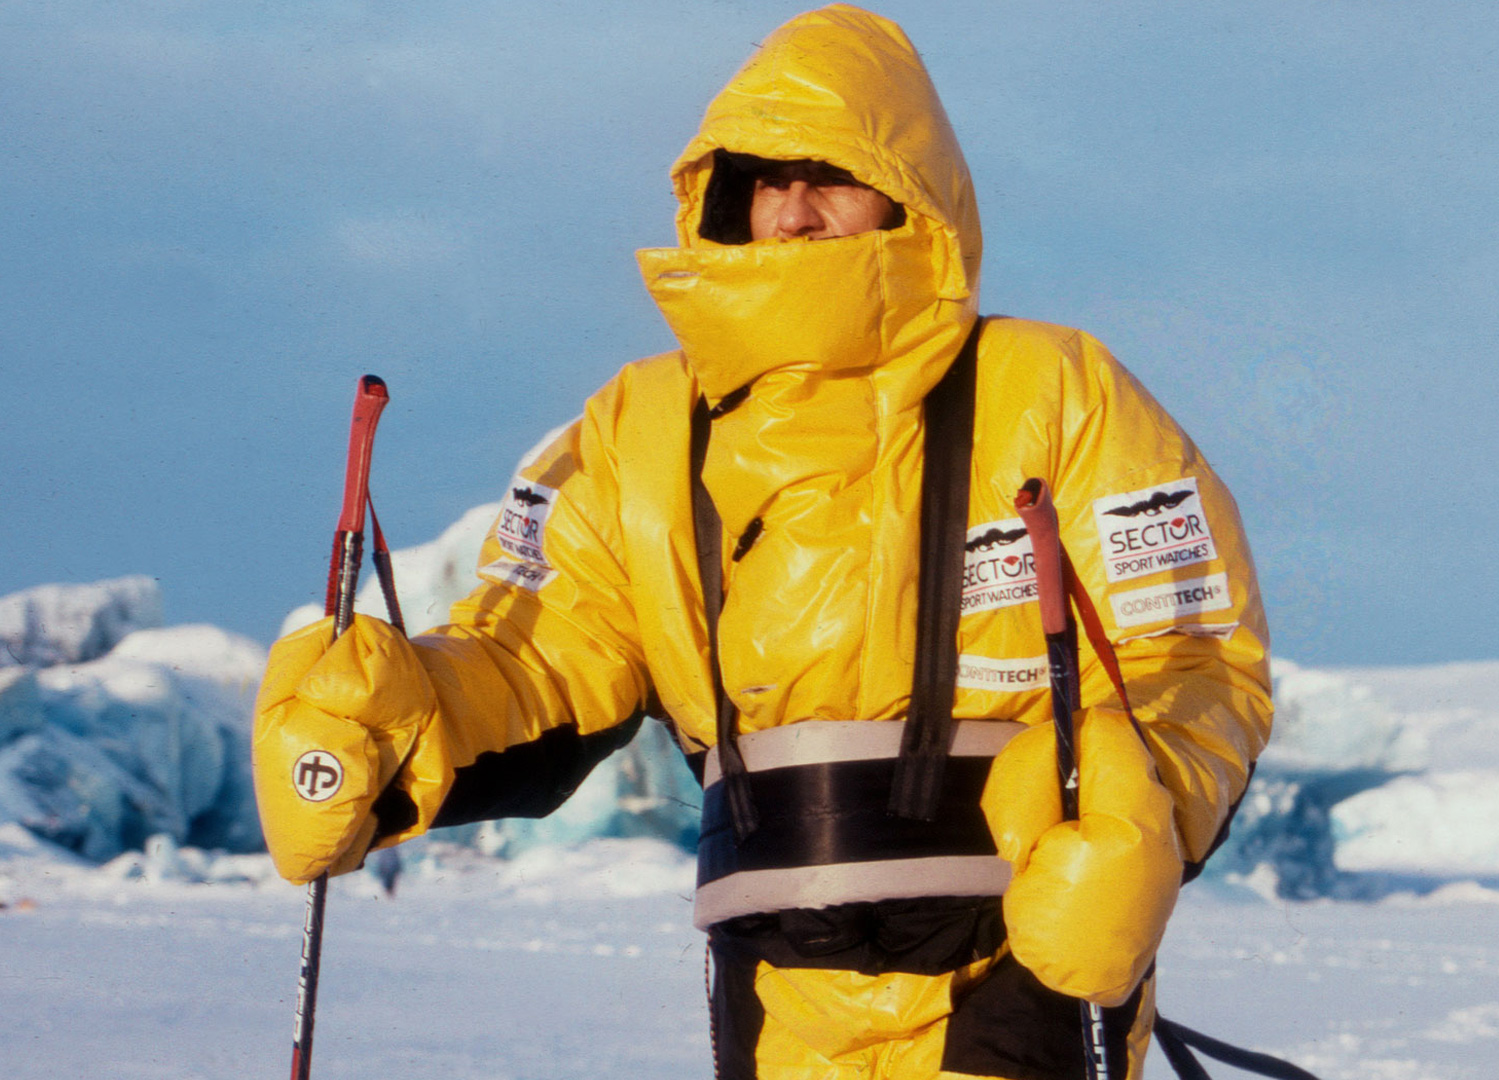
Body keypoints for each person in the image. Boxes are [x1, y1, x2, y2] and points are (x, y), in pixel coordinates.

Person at [254, 6, 1272, 1078]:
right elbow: (541, 661)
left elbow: (1195, 659)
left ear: (913, 189)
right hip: (769, 981)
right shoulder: (634, 431)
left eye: (829, 173)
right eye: (763, 179)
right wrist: (389, 722)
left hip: (1021, 959)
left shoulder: (1057, 392)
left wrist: (1138, 803)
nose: (792, 213)